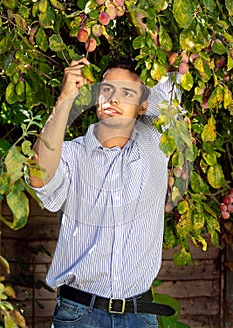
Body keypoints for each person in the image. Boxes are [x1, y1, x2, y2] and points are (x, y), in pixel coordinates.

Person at [29, 57, 180, 327]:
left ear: (143, 105)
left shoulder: (156, 144)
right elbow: (40, 179)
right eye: (107, 89)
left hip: (139, 316)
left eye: (127, 93)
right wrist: (65, 99)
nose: (113, 98)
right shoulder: (72, 155)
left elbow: (173, 66)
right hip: (78, 315)